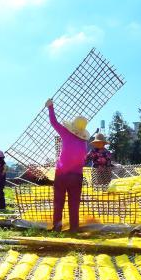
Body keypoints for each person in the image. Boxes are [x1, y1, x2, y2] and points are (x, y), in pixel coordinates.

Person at [45, 98, 89, 232]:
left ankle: (57, 226)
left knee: (58, 202)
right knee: (74, 204)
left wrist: (50, 107)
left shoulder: (66, 133)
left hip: (62, 174)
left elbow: (54, 122)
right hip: (77, 176)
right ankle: (74, 228)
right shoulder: (84, 143)